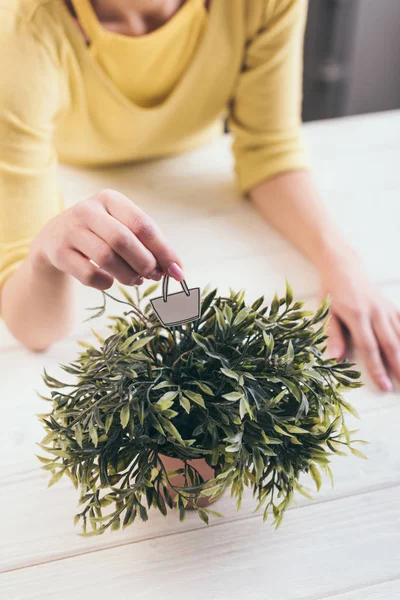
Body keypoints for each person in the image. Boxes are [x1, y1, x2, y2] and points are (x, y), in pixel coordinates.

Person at [1, 0, 399, 392]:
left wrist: (341, 262)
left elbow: (268, 148)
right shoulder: (19, 26)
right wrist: (43, 254)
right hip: (61, 173)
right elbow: (32, 326)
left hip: (202, 175)